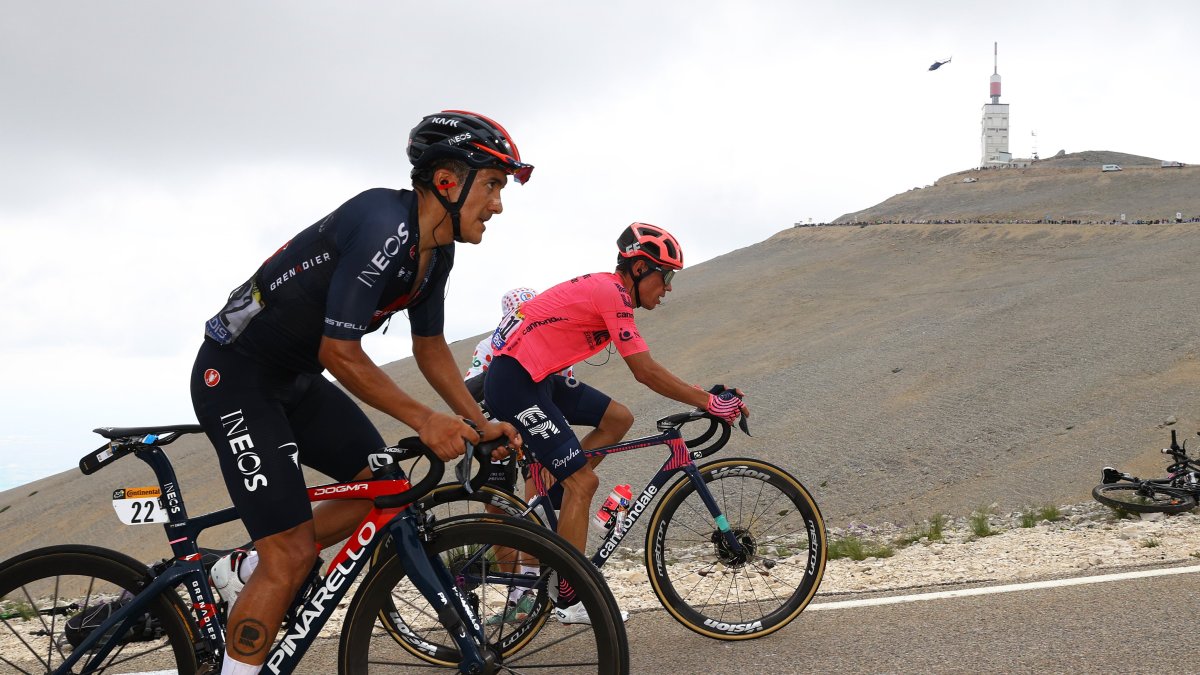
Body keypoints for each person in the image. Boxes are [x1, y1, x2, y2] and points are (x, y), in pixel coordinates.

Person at [190, 110, 529, 675]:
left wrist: (477, 421)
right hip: (237, 377)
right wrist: (426, 421)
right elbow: (339, 352)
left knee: (386, 485)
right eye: (492, 184)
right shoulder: (383, 223)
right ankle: (264, 577)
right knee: (292, 554)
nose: (498, 204)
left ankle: (244, 565)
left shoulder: (434, 251)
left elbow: (431, 348)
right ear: (447, 181)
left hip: (296, 380)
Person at [483, 223, 748, 625]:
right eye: (667, 276)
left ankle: (560, 482)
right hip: (515, 382)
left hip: (538, 379)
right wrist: (708, 401)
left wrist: (701, 394)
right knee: (584, 483)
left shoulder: (610, 289)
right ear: (641, 268)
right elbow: (644, 370)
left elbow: (648, 371)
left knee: (618, 418)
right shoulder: (613, 293)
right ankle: (570, 594)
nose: (669, 288)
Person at [464, 287, 634, 625]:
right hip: (495, 424)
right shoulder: (488, 346)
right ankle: (520, 594)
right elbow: (470, 391)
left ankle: (544, 581)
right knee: (496, 507)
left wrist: (560, 458)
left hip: (531, 419)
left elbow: (556, 400)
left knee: (539, 489)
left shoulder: (548, 334)